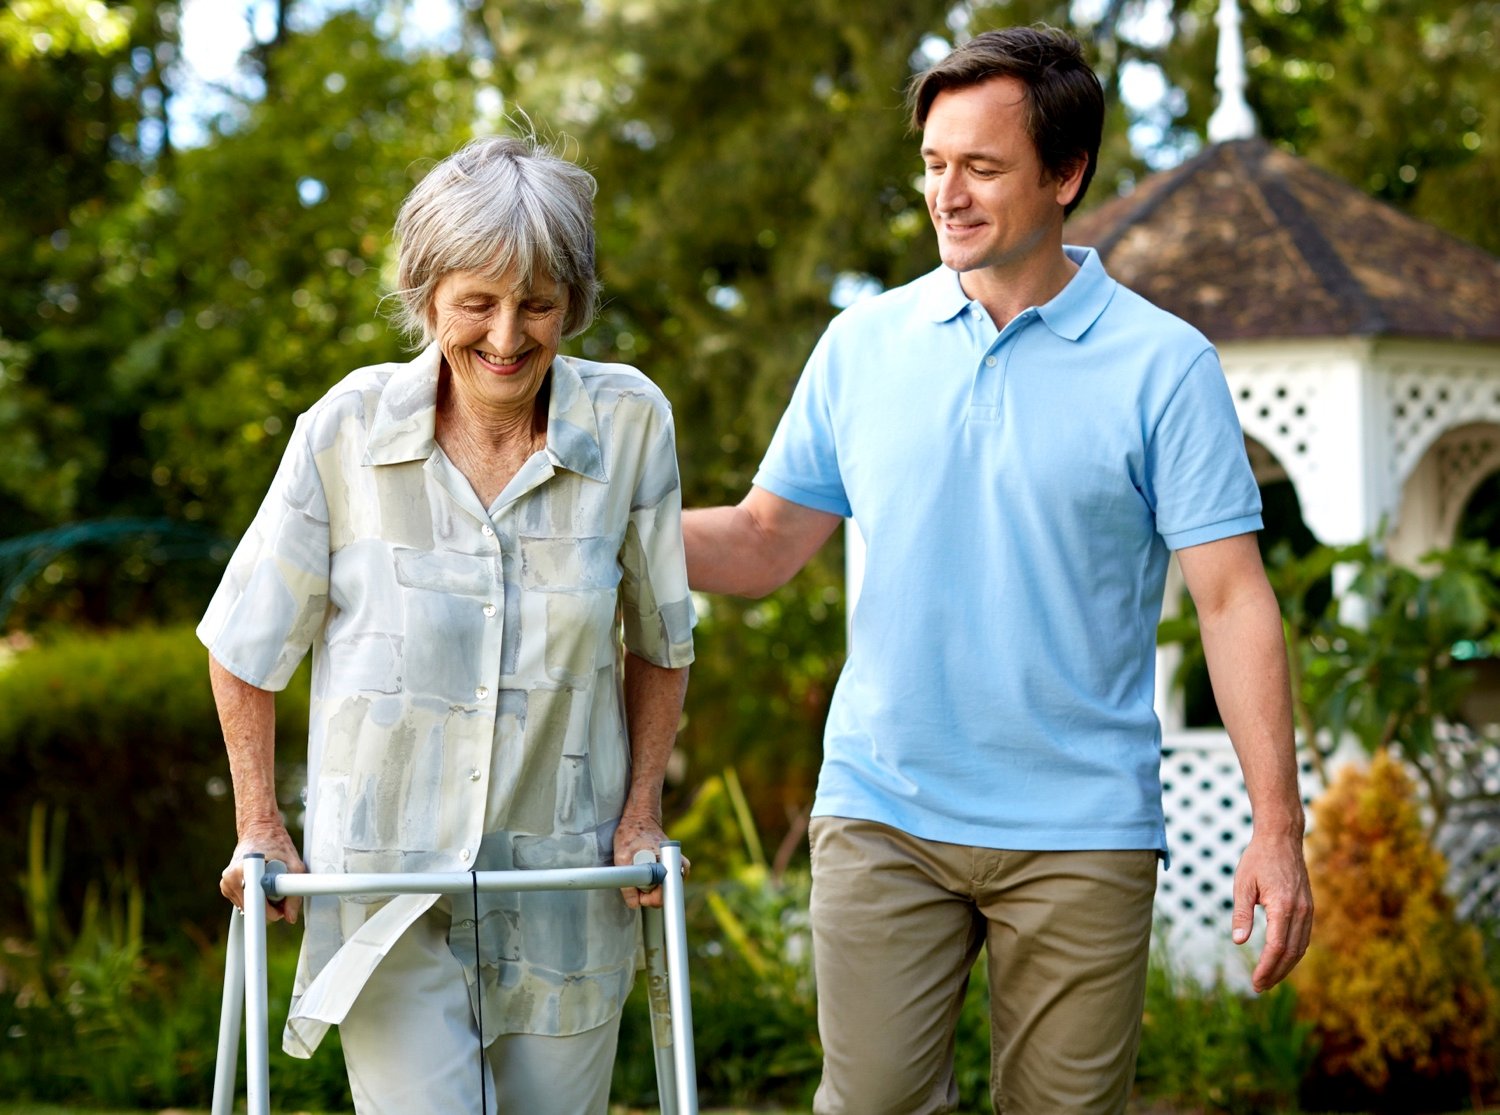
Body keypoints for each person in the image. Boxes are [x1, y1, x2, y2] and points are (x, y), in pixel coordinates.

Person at [683, 26, 1312, 1115]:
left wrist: (1278, 827)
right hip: (885, 806)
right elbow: (764, 539)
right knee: (868, 1100)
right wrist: (609, 524)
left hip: (1079, 824)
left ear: (1065, 175)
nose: (947, 193)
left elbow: (1232, 597)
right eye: (934, 163)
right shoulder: (861, 345)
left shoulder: (1165, 366)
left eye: (981, 166)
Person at [200, 134, 695, 1115]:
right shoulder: (346, 430)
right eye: (478, 301)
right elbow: (246, 640)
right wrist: (261, 824)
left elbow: (661, 638)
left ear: (573, 304)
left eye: (539, 303)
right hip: (383, 895)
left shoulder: (630, 424)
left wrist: (641, 806)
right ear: (427, 297)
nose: (508, 334)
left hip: (565, 887)